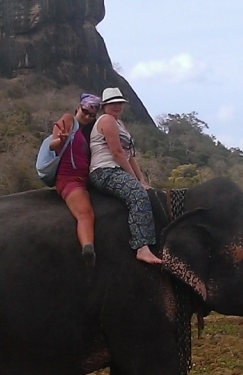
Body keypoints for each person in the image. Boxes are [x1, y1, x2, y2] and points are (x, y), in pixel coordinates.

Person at [89, 87, 162, 265]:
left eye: (119, 103)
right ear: (105, 106)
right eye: (112, 103)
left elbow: (130, 155)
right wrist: (136, 183)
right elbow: (117, 152)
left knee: (147, 191)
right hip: (104, 170)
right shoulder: (106, 120)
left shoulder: (120, 124)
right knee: (137, 194)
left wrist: (141, 179)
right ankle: (142, 247)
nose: (117, 106)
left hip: (118, 169)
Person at [50, 93, 101, 266]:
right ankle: (88, 249)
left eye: (91, 115)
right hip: (69, 179)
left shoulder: (88, 132)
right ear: (77, 108)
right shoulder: (68, 121)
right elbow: (52, 144)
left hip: (86, 178)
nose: (87, 117)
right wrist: (60, 140)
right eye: (84, 111)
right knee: (85, 213)